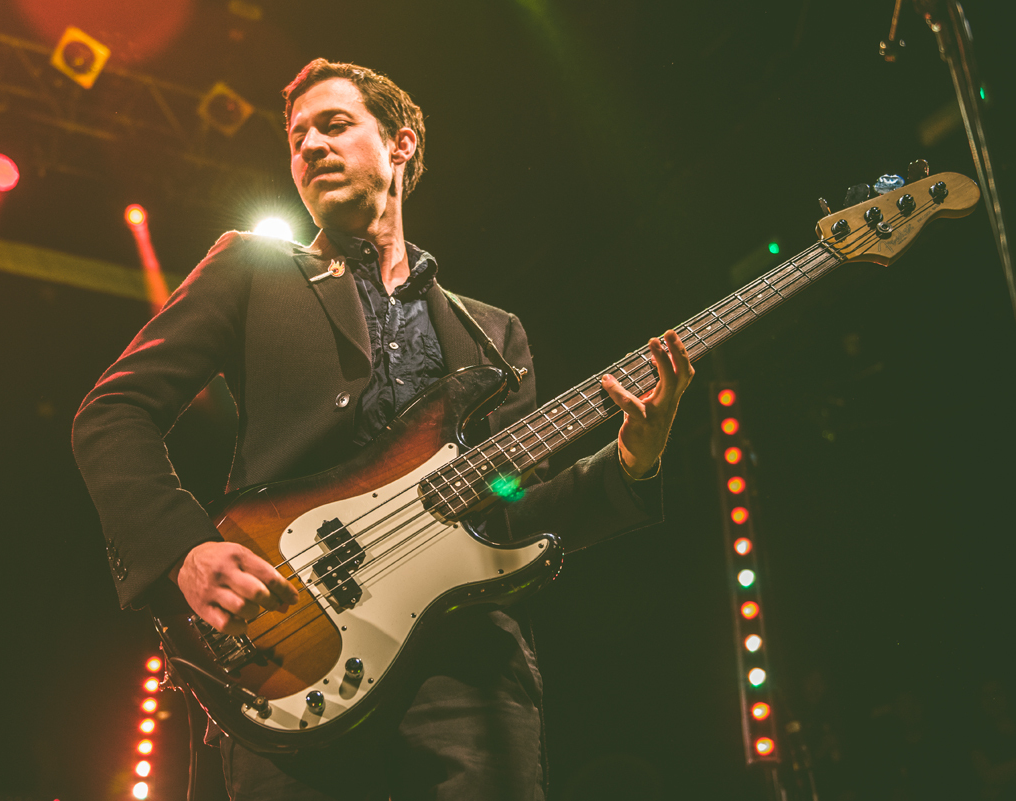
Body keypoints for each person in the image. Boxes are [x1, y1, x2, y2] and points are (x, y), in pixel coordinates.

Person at [72, 58, 694, 800]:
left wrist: (631, 461)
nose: (309, 147)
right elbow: (112, 412)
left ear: (400, 146)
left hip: (465, 669)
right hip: (291, 643)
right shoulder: (250, 270)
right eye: (297, 136)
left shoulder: (491, 335)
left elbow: (514, 509)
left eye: (334, 125)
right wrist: (184, 548)